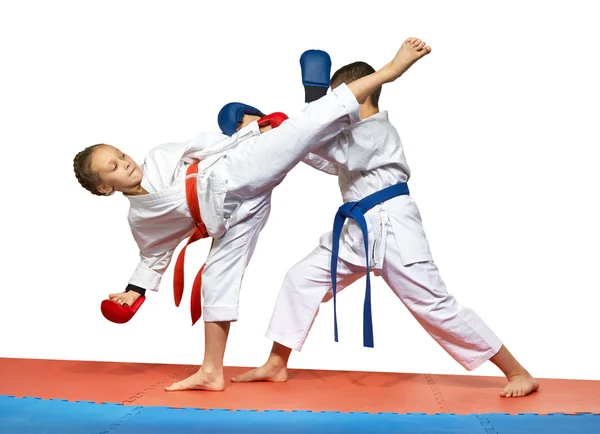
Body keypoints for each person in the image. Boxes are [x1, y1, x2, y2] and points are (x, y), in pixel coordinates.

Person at [72, 36, 432, 392]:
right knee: (216, 282)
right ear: (106, 188)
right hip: (229, 219)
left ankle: (385, 72)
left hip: (234, 171)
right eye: (114, 167)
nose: (125, 162)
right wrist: (134, 293)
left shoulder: (158, 157)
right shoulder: (142, 219)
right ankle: (212, 371)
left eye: (119, 154)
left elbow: (207, 146)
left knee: (300, 131)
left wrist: (249, 132)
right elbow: (153, 255)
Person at [231, 60, 539, 398]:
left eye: (338, 101)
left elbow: (331, 148)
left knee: (435, 305)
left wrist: (289, 124)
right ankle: (277, 363)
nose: (333, 111)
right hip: (357, 230)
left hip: (393, 226)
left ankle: (517, 371)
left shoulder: (378, 130)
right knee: (301, 278)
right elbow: (325, 156)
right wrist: (283, 134)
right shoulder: (352, 136)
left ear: (358, 97)